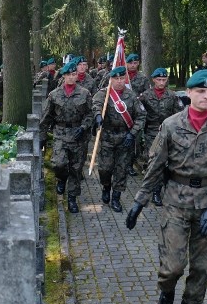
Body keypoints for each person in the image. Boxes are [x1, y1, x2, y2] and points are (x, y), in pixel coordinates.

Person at [125, 69, 207, 304]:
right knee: (173, 266)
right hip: (175, 201)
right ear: (188, 93)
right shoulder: (171, 126)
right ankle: (166, 293)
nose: (206, 96)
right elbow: (156, 167)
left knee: (200, 268)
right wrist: (139, 202)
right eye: (201, 91)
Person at [40, 59, 93, 213]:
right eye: (68, 75)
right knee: (59, 164)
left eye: (74, 74)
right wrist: (42, 135)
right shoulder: (54, 95)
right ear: (63, 76)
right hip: (61, 134)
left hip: (78, 136)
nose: (71, 77)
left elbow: (90, 115)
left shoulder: (85, 93)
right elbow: (46, 117)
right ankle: (62, 178)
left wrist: (83, 127)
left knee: (76, 169)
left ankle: (71, 199)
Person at [92, 66, 146, 212]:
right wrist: (98, 116)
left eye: (122, 78)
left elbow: (141, 116)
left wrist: (132, 133)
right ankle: (106, 186)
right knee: (104, 168)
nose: (120, 81)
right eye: (116, 78)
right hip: (107, 136)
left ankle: (116, 198)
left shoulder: (131, 96)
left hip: (125, 137)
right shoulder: (104, 94)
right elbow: (96, 105)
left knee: (121, 170)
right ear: (111, 79)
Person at [138, 68, 184, 205]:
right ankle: (156, 192)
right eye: (159, 80)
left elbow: (180, 115)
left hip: (169, 133)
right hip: (152, 132)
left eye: (164, 80)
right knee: (155, 162)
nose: (162, 82)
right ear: (153, 80)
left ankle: (167, 189)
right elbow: (139, 113)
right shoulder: (145, 96)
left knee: (168, 162)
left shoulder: (172, 96)